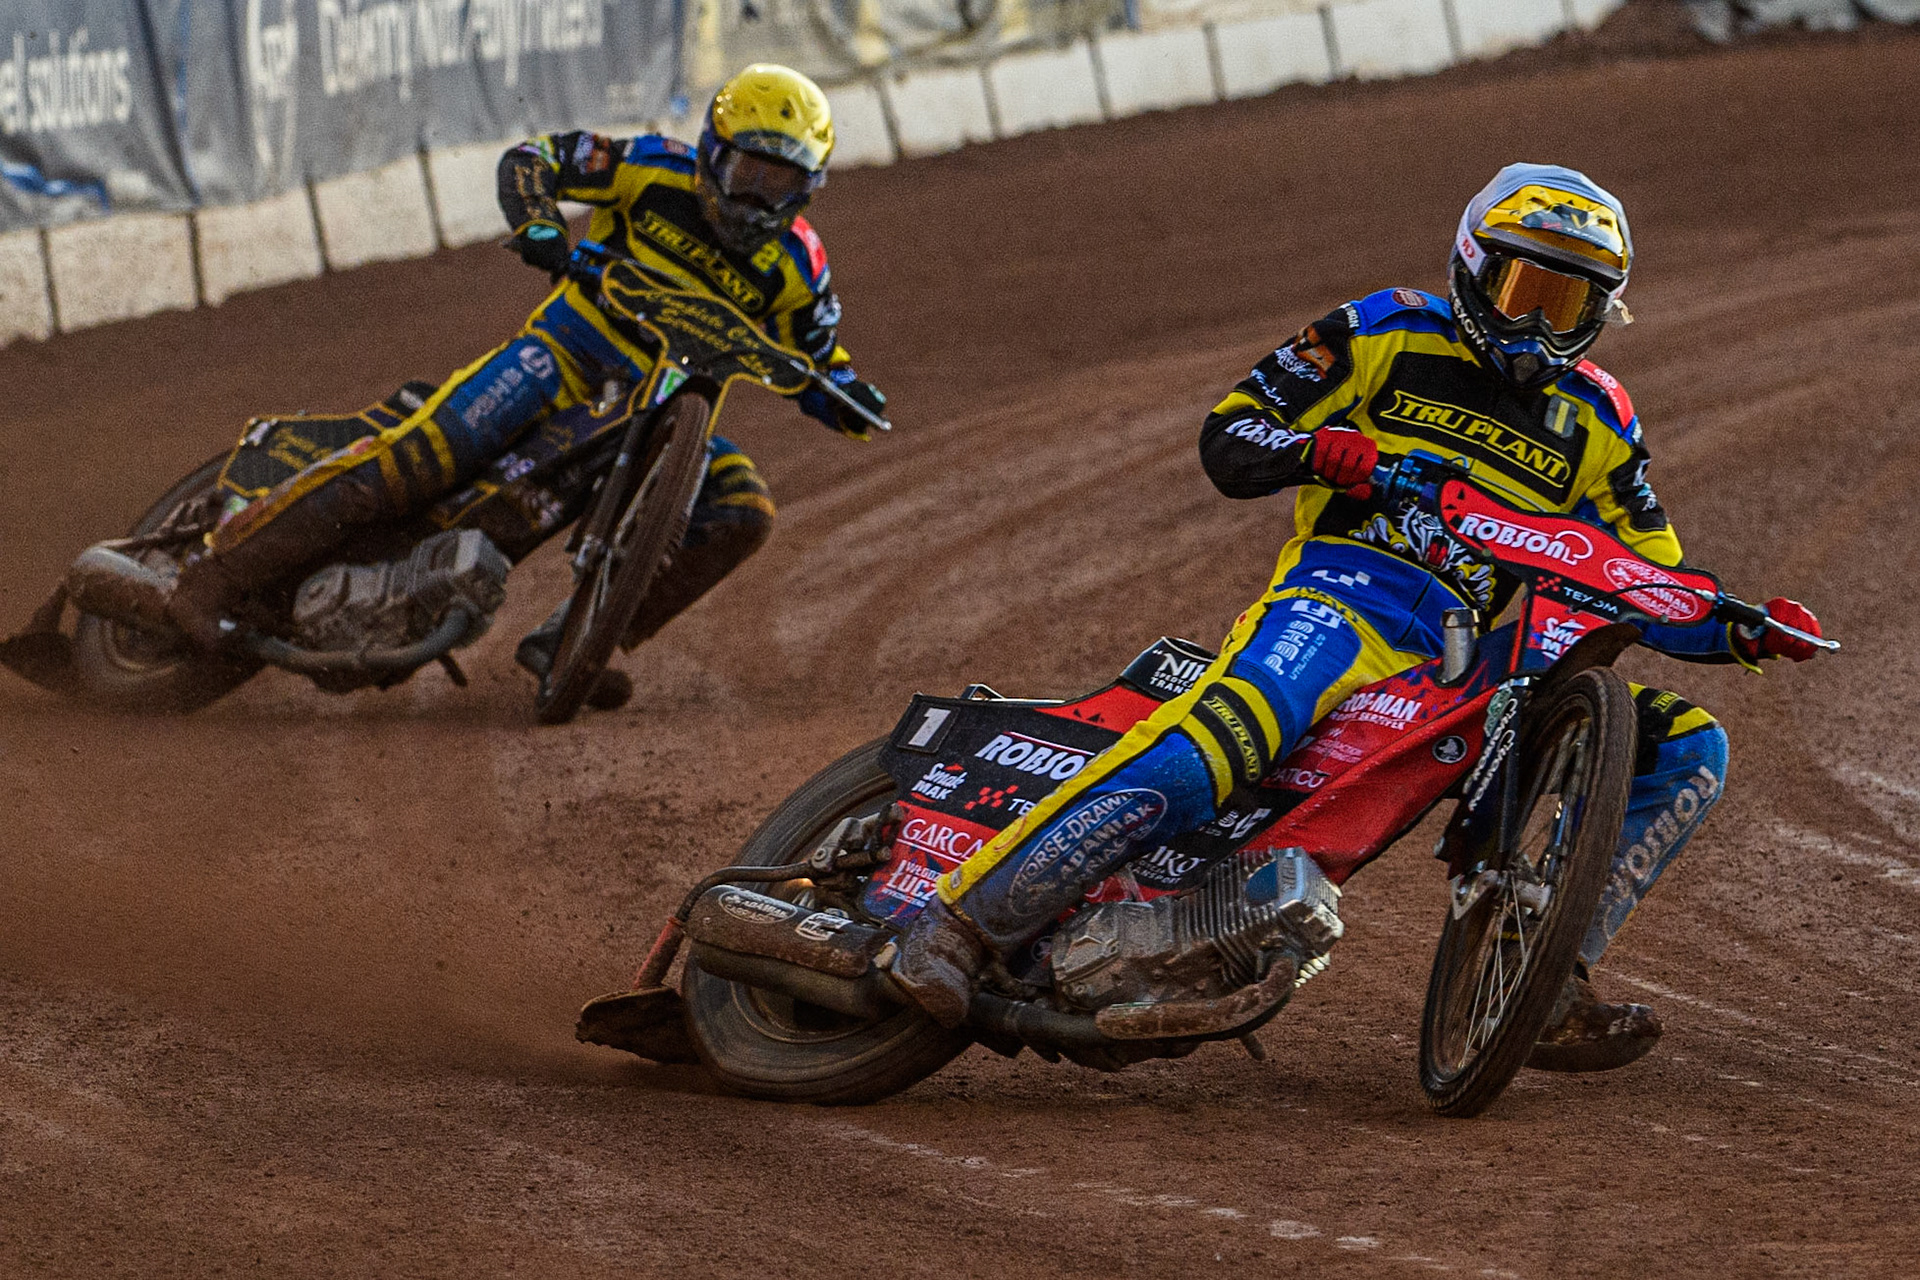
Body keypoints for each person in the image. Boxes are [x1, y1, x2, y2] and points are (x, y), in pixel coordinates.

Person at [890, 162, 1824, 1071]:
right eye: (1524, 289)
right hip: (1337, 599)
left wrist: (1741, 628)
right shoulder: (1386, 328)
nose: (1539, 324)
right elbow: (1231, 436)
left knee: (1693, 746)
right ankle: (959, 924)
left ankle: (1541, 972)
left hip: (1468, 660)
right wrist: (1330, 455)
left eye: (1569, 302)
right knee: (1212, 751)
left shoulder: (1601, 419)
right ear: (1472, 268)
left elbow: (1646, 580)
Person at [167, 64, 886, 704]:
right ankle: (214, 576)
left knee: (743, 509)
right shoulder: (651, 168)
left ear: (808, 188)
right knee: (421, 459)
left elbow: (819, 355)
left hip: (659, 418)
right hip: (561, 359)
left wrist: (847, 393)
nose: (759, 199)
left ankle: (583, 638)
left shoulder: (801, 266)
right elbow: (534, 158)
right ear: (711, 153)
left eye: (781, 183)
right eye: (749, 173)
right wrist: (540, 223)